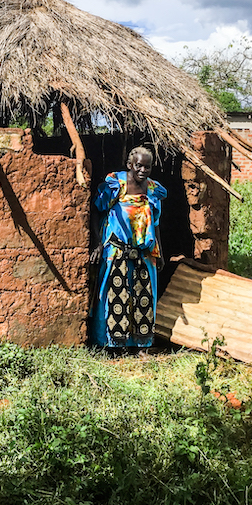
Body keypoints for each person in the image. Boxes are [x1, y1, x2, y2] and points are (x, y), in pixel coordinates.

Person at [89, 146, 167, 351]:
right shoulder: (115, 185)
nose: (143, 170)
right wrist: (98, 243)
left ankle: (141, 344)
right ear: (130, 165)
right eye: (139, 166)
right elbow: (95, 212)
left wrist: (160, 251)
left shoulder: (153, 190)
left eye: (147, 167)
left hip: (144, 252)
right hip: (116, 249)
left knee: (143, 296)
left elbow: (155, 223)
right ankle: (110, 343)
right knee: (112, 294)